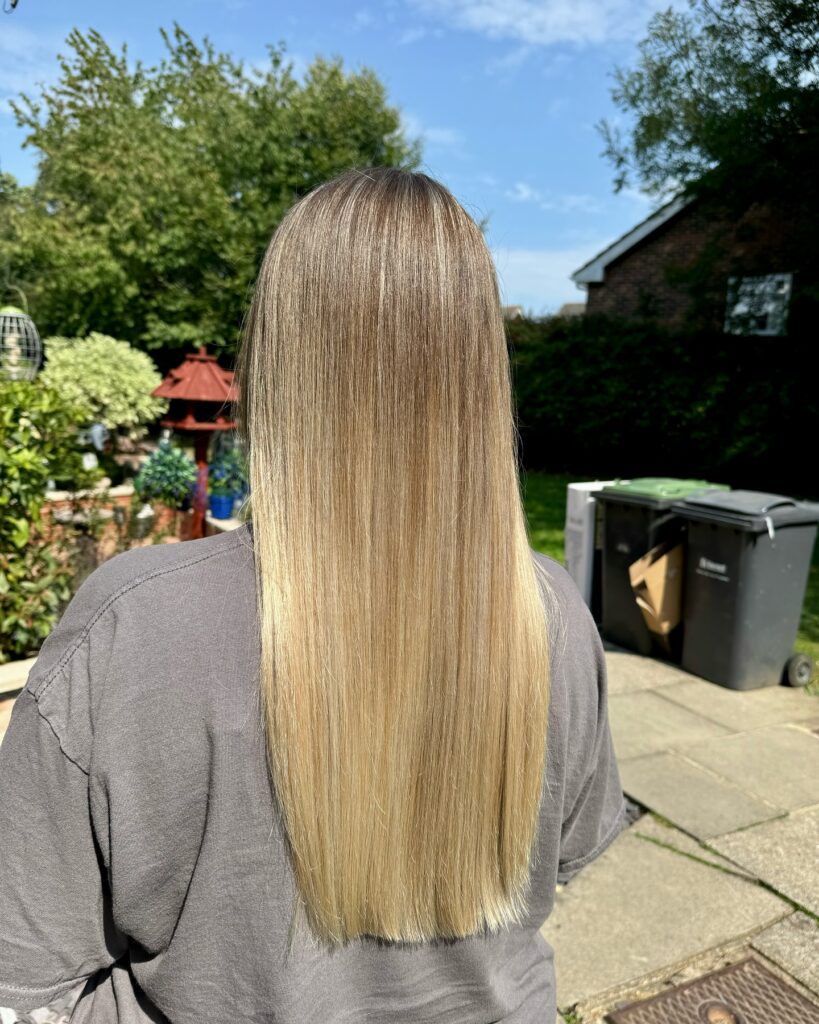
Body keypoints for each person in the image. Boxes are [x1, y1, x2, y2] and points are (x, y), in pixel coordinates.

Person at [0, 167, 628, 1024]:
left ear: (274, 355)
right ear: (480, 371)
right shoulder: (553, 616)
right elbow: (561, 860)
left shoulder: (136, 627)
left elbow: (24, 975)